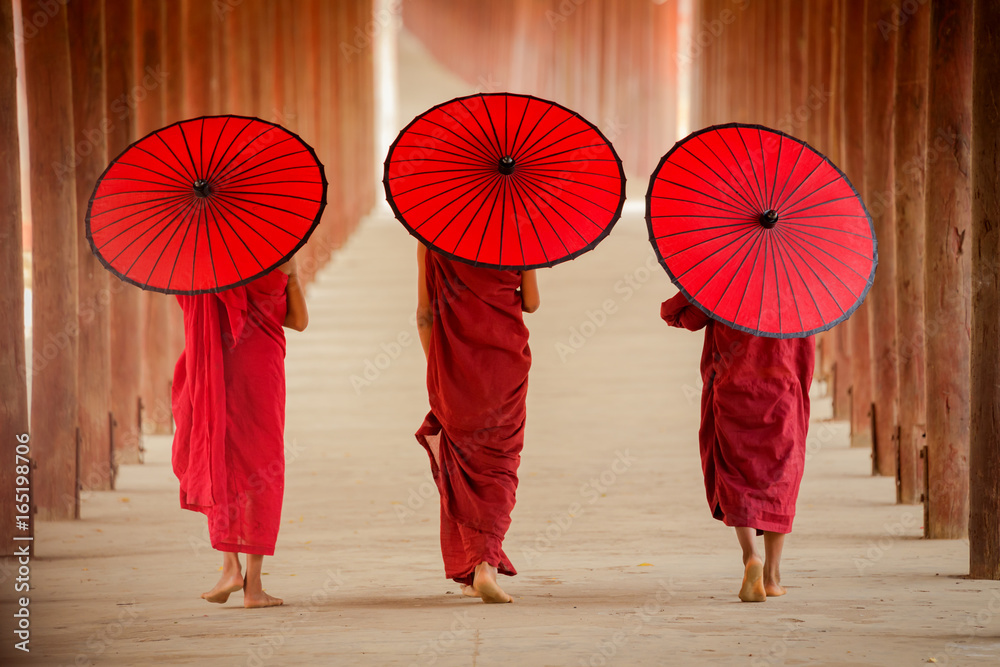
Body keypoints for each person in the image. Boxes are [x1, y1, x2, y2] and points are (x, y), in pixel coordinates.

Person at [171, 257, 308, 609]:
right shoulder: (280, 258)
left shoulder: (202, 263)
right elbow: (299, 322)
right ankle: (254, 587)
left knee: (220, 455)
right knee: (261, 465)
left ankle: (230, 567)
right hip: (262, 371)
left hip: (217, 366)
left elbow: (190, 305)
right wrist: (290, 277)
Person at [660, 291, 814, 602]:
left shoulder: (726, 281)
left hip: (733, 388)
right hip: (782, 392)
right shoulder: (801, 292)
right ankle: (772, 577)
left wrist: (697, 288)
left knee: (734, 472)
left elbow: (679, 316)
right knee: (780, 477)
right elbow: (805, 358)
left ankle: (750, 556)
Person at [414, 243, 540, 603]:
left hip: (452, 369)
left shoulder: (430, 237)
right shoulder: (517, 234)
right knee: (501, 464)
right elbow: (530, 303)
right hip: (505, 366)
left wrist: (438, 367)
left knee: (461, 462)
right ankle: (485, 566)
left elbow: (425, 315)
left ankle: (474, 568)